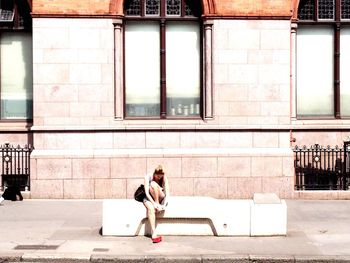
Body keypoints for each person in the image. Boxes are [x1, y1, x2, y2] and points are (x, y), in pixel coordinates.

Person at [143, 165, 169, 243]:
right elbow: (147, 193)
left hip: (160, 197)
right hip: (149, 198)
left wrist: (164, 205)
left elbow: (167, 193)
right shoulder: (148, 177)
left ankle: (157, 204)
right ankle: (153, 232)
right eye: (157, 176)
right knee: (151, 209)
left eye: (161, 176)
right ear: (154, 173)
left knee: (154, 184)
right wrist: (154, 203)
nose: (159, 177)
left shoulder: (164, 178)